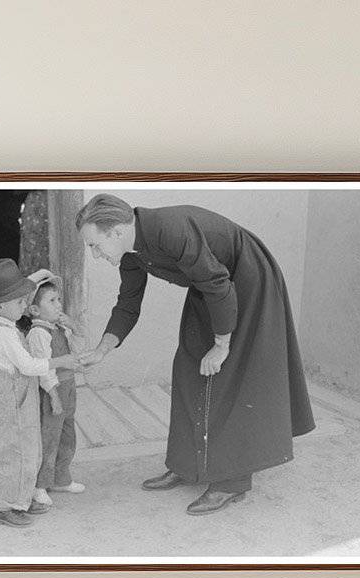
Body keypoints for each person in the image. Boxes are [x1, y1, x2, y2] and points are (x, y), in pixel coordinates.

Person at [78, 194, 315, 515]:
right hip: (211, 288)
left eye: (95, 245)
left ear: (117, 231)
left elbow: (218, 283)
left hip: (246, 281)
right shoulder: (131, 253)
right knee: (189, 368)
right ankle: (186, 465)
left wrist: (221, 345)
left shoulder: (171, 230)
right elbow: (128, 303)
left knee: (231, 376)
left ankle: (231, 482)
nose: (95, 255)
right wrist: (102, 349)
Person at [0, 259, 82, 528]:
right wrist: (61, 361)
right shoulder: (2, 334)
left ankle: (21, 498)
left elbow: (19, 291)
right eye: (20, 302)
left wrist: (39, 275)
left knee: (30, 452)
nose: (25, 305)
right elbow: (29, 366)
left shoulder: (5, 320)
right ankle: (5, 506)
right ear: (0, 306)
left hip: (21, 402)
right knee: (15, 455)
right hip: (12, 406)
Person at [25, 275, 84, 506]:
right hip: (53, 392)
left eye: (58, 299)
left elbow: (78, 351)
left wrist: (74, 327)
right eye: (52, 301)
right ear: (34, 310)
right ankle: (39, 485)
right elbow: (44, 368)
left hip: (68, 387)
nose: (59, 305)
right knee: (49, 439)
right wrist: (53, 395)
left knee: (67, 436)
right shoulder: (39, 333)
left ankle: (61, 478)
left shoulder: (59, 328)